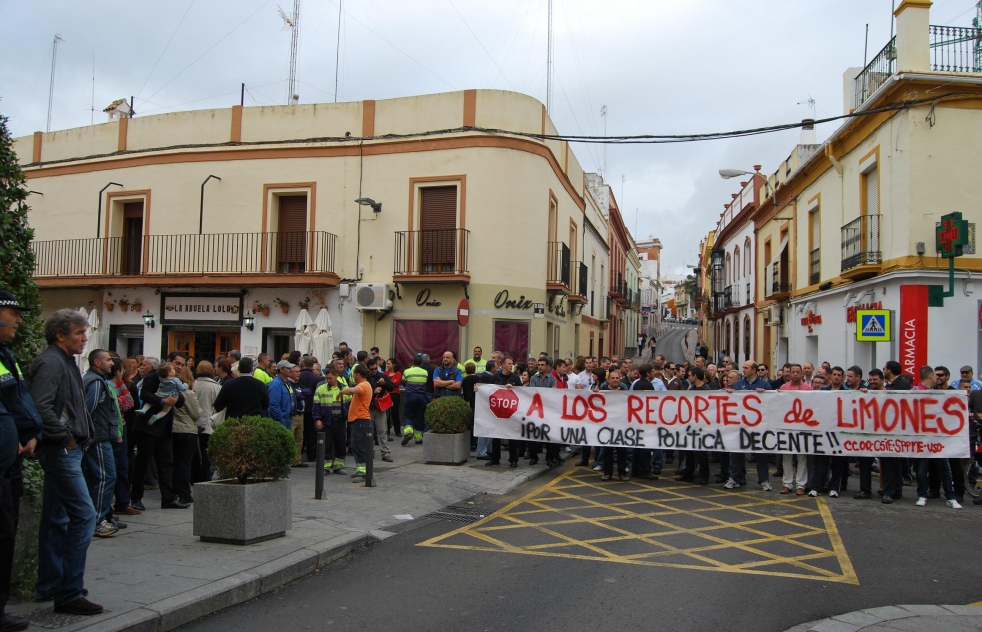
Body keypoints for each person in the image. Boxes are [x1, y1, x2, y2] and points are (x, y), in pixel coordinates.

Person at [29, 309, 103, 615]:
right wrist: (65, 436)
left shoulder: (64, 361)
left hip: (67, 448)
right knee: (84, 516)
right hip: (61, 450)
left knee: (56, 518)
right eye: (79, 333)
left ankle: (51, 584)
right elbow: (40, 406)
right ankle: (69, 591)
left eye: (86, 333)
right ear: (60, 335)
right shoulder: (50, 362)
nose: (85, 338)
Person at [0, 290, 42, 630]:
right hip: (4, 458)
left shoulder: (8, 355)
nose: (18, 320)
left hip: (13, 461)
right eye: (12, 313)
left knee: (5, 535)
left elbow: (20, 401)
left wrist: (30, 435)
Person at [132, 352, 187, 512]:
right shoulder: (154, 377)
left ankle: (168, 498)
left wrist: (176, 399)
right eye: (177, 363)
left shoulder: (175, 381)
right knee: (142, 463)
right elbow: (145, 394)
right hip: (147, 428)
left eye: (182, 365)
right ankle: (136, 498)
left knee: (166, 463)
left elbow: (180, 400)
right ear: (168, 362)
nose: (179, 367)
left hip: (164, 429)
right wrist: (163, 400)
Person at [81, 349, 120, 538]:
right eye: (108, 360)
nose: (112, 363)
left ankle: (95, 518)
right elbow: (87, 411)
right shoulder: (96, 383)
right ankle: (98, 520)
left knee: (96, 478)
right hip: (98, 439)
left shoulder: (92, 379)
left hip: (96, 437)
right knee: (106, 477)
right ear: (97, 363)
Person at [723, 360, 773, 491]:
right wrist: (729, 394)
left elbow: (771, 402)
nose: (743, 370)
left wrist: (764, 395)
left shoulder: (764, 385)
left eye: (746, 368)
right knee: (736, 453)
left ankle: (764, 480)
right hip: (741, 425)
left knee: (761, 454)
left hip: (759, 427)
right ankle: (735, 478)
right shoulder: (738, 384)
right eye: (743, 367)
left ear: (754, 370)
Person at [778, 363, 812, 495]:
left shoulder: (808, 389)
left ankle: (801, 485)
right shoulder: (784, 387)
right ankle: (787, 484)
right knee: (787, 457)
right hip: (787, 427)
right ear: (789, 373)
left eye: (798, 372)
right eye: (793, 372)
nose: (796, 374)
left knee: (802, 457)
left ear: (802, 373)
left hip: (802, 427)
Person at [170, 367, 202, 505]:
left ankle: (174, 490)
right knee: (185, 463)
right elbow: (196, 413)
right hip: (187, 429)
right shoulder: (188, 393)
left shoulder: (170, 392)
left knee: (175, 462)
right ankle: (184, 493)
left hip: (173, 429)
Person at [486, 357, 524, 467]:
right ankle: (495, 458)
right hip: (498, 410)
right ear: (502, 365)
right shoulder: (495, 377)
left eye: (512, 364)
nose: (511, 365)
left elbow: (521, 392)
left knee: (512, 437)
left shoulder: (515, 378)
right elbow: (489, 390)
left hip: (511, 411)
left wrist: (513, 388)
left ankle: (513, 460)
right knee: (496, 435)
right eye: (509, 364)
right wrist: (478, 390)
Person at [676, 367, 711, 485]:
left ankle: (704, 475)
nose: (688, 377)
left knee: (701, 452)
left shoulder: (707, 390)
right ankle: (689, 473)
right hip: (691, 425)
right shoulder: (691, 389)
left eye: (690, 375)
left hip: (703, 426)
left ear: (695, 376)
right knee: (689, 450)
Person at [339, 364, 373, 483]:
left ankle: (363, 472)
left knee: (359, 446)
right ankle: (361, 469)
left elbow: (355, 390)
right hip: (358, 420)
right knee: (357, 445)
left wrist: (343, 392)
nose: (353, 376)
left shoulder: (363, 385)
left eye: (354, 374)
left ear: (357, 375)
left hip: (360, 420)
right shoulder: (366, 384)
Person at [312, 368, 348, 474]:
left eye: (330, 378)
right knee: (326, 444)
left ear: (336, 375)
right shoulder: (321, 389)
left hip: (340, 420)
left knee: (341, 443)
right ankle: (325, 466)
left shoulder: (345, 389)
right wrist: (317, 419)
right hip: (327, 420)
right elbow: (315, 406)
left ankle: (338, 465)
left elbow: (350, 405)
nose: (328, 380)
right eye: (326, 378)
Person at [268, 361, 302, 466]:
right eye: (288, 368)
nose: (290, 370)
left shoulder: (287, 382)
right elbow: (273, 405)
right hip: (281, 419)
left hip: (288, 417)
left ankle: (282, 465)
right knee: (279, 444)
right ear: (281, 369)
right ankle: (277, 466)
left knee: (285, 444)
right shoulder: (276, 384)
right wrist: (281, 418)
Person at [192, 361, 221, 482]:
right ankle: (205, 475)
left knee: (194, 453)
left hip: (193, 423)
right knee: (206, 453)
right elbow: (218, 407)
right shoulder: (216, 387)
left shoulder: (193, 385)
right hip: (209, 424)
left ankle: (194, 476)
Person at [529, 356, 560, 467]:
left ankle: (549, 458)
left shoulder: (552, 379)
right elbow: (532, 392)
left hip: (548, 412)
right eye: (539, 365)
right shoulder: (533, 378)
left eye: (542, 365)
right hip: (536, 411)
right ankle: (533, 457)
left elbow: (553, 393)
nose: (540, 367)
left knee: (549, 436)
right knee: (533, 435)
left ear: (548, 367)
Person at [363, 356, 395, 462]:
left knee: (382, 431)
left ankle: (385, 453)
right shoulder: (364, 378)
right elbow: (361, 392)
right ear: (367, 368)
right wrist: (373, 391)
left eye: (375, 368)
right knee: (368, 431)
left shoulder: (381, 376)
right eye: (372, 369)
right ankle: (369, 452)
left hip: (380, 408)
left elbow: (392, 387)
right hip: (368, 408)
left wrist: (384, 384)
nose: (374, 371)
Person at [401, 355, 428, 446]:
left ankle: (408, 433)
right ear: (421, 363)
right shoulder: (425, 372)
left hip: (410, 397)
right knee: (420, 417)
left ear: (413, 363)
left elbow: (403, 382)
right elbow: (425, 383)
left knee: (408, 415)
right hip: (421, 397)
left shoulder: (407, 371)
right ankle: (418, 439)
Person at [298, 357, 321, 463]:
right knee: (311, 432)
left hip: (299, 408)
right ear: (312, 366)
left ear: (302, 365)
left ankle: (299, 452)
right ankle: (311, 455)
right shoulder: (317, 379)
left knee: (299, 432)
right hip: (312, 408)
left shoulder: (298, 377)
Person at [384, 358, 403, 440]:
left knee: (395, 413)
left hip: (395, 395)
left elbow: (396, 382)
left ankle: (397, 430)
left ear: (393, 364)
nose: (387, 365)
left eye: (389, 364)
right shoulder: (386, 373)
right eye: (387, 364)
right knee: (386, 413)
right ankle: (387, 430)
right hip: (386, 395)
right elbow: (385, 383)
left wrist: (387, 383)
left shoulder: (398, 373)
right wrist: (389, 382)